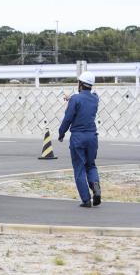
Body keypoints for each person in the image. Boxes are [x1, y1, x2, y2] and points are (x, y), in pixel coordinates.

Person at [58, 71, 101, 208]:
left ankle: (86, 200)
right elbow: (86, 98)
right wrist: (71, 99)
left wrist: (61, 133)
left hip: (78, 138)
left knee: (79, 168)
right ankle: (96, 188)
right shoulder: (95, 98)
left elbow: (68, 118)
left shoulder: (75, 99)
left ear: (81, 84)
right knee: (91, 165)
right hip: (92, 137)